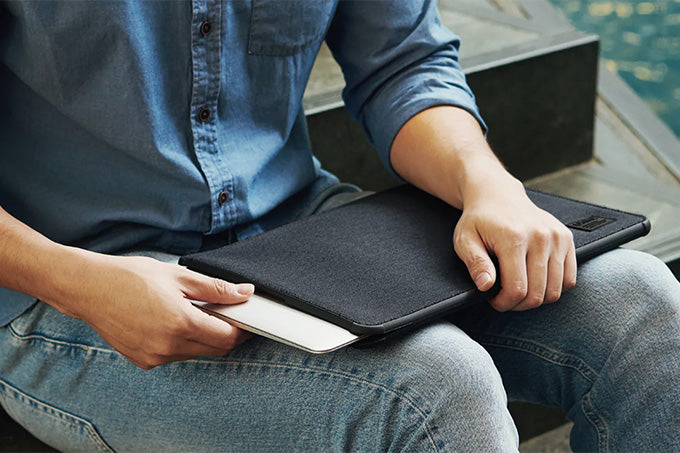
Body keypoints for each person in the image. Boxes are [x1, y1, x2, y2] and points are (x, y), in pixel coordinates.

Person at [1, 1, 679, 451]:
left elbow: (401, 62)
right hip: (61, 280)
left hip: (292, 229)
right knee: (435, 390)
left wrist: (486, 181)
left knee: (642, 305)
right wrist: (79, 283)